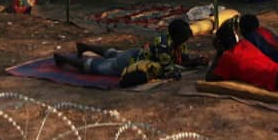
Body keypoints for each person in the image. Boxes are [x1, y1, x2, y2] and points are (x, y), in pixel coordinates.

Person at [54, 19, 203, 85]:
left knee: (111, 53)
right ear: (177, 36)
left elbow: (183, 59)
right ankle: (64, 59)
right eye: (184, 37)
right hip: (131, 62)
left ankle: (85, 47)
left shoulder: (177, 41)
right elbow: (169, 69)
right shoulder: (164, 46)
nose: (186, 40)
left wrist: (193, 61)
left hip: (136, 54)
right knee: (97, 67)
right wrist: (191, 64)